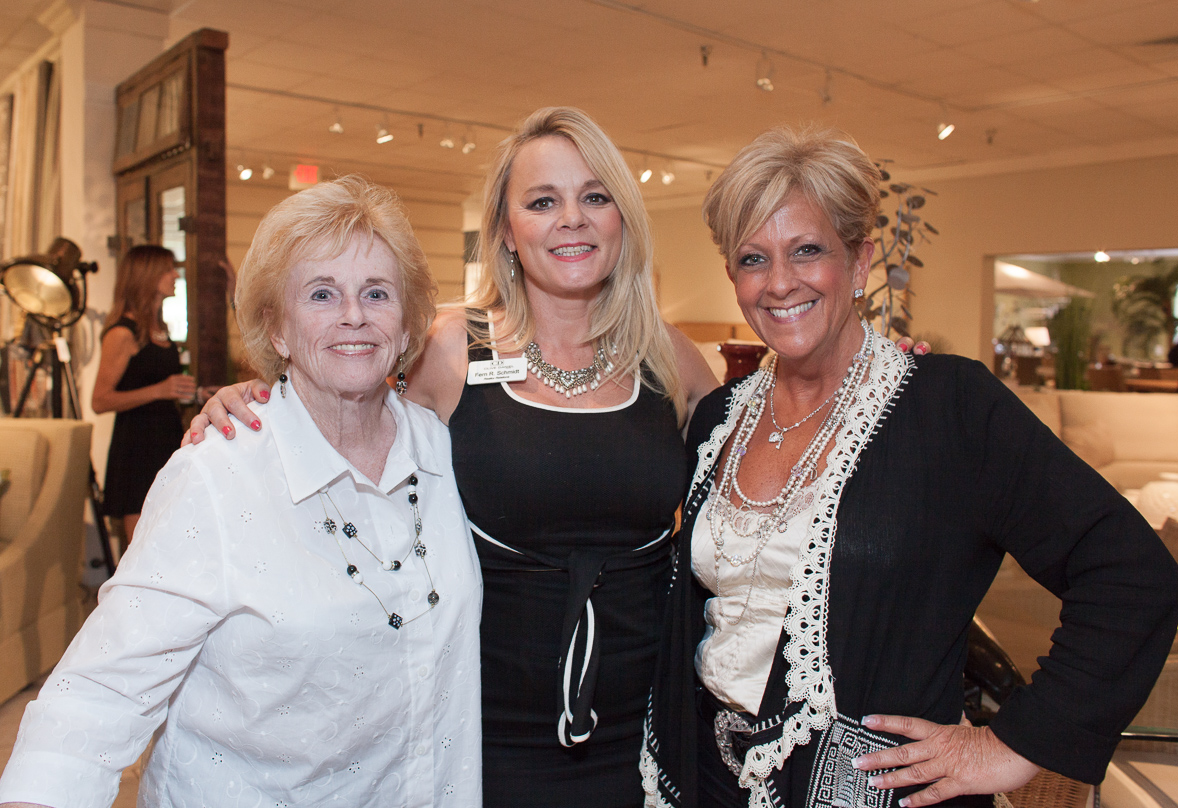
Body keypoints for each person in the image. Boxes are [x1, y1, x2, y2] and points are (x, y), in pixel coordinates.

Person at [186, 107, 718, 807]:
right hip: (481, 727)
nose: (572, 219)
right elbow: (348, 422)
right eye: (542, 202)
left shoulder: (668, 358)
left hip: (646, 724)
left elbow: (760, 474)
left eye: (595, 196)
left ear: (623, 216)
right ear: (505, 229)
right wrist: (260, 402)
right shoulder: (451, 349)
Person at [639, 127, 1178, 808]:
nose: (779, 282)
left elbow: (1132, 575)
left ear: (860, 261)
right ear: (734, 278)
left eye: (808, 250)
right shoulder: (721, 417)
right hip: (706, 778)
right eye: (754, 259)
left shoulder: (948, 407)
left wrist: (1013, 744)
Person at [0, 176, 483, 807]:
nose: (354, 315)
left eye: (376, 292)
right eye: (321, 293)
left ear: (407, 323)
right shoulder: (217, 476)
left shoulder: (444, 449)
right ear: (276, 330)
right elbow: (101, 692)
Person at [91, 244, 196, 541]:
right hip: (136, 448)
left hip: (165, 439)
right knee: (143, 543)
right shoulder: (123, 333)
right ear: (147, 275)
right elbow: (99, 400)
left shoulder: (159, 328)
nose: (175, 275)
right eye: (168, 269)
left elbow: (160, 386)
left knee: (171, 535)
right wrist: (160, 390)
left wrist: (195, 392)